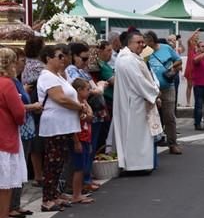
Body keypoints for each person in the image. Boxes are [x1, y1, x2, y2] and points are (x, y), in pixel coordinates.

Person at [37, 45, 83, 212]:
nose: (63, 60)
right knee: (52, 162)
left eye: (64, 56)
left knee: (59, 162)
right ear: (48, 58)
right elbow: (61, 99)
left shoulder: (58, 76)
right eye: (59, 56)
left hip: (64, 125)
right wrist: (79, 107)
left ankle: (54, 194)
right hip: (54, 125)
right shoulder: (47, 76)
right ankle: (47, 199)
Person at [112, 31, 163, 171]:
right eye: (138, 42)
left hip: (136, 101)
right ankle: (136, 164)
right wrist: (154, 92)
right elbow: (139, 81)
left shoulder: (131, 57)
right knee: (136, 135)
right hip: (134, 103)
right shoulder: (127, 59)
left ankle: (139, 163)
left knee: (139, 135)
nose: (142, 45)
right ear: (129, 43)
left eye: (142, 42)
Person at [65, 42, 108, 188]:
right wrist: (100, 87)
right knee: (84, 148)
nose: (86, 62)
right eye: (83, 59)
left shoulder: (82, 70)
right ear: (74, 57)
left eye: (87, 58)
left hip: (94, 112)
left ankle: (87, 177)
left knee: (91, 146)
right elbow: (86, 90)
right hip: (86, 114)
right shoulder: (71, 71)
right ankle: (83, 180)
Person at [9, 48, 41, 218]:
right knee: (14, 168)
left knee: (21, 167)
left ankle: (16, 203)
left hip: (26, 128)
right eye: (22, 61)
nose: (24, 64)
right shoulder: (10, 82)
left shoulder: (17, 80)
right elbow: (15, 105)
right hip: (19, 128)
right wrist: (32, 106)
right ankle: (11, 205)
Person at [0, 48, 27, 218]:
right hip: (5, 135)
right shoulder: (7, 84)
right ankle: (3, 217)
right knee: (5, 181)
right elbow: (19, 112)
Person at [144, 31, 183, 154]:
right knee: (151, 116)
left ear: (152, 41)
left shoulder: (166, 48)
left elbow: (179, 61)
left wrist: (172, 68)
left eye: (146, 42)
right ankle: (153, 143)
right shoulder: (144, 52)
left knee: (169, 116)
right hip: (151, 89)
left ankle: (173, 143)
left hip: (167, 87)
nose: (144, 44)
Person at [22, 36, 45, 185]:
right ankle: (38, 174)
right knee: (37, 142)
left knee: (34, 142)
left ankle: (37, 173)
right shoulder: (39, 67)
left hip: (31, 102)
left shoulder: (26, 64)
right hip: (36, 104)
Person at [69, 78, 95, 204]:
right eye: (87, 89)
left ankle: (78, 192)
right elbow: (73, 123)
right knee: (78, 167)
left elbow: (90, 115)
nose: (89, 92)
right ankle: (76, 194)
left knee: (82, 166)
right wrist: (76, 141)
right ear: (79, 90)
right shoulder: (75, 105)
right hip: (79, 137)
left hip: (85, 137)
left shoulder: (83, 102)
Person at [183, 29, 201, 107]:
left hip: (197, 67)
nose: (196, 37)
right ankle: (188, 102)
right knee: (189, 85)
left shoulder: (199, 46)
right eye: (195, 36)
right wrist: (195, 31)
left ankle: (197, 102)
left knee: (197, 86)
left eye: (197, 36)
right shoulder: (190, 45)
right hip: (190, 66)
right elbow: (188, 39)